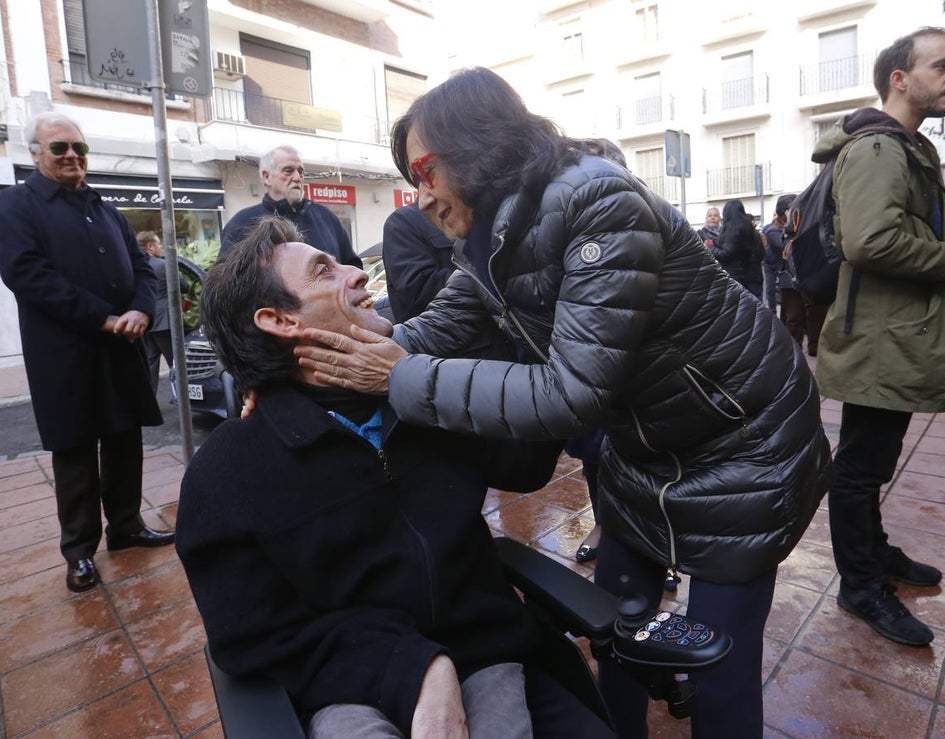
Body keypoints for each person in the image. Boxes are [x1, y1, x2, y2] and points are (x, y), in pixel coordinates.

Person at [290, 67, 831, 739]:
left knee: (712, 654)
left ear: (478, 143)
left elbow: (572, 393)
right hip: (649, 445)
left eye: (425, 170)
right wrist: (309, 379)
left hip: (743, 441)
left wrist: (397, 377)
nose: (419, 195)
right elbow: (427, 333)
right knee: (620, 620)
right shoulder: (485, 240)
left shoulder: (598, 201)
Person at [177, 217, 613, 739]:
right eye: (324, 270)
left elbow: (527, 464)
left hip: (489, 653)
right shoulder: (230, 473)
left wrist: (539, 339)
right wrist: (414, 667)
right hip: (350, 684)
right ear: (279, 320)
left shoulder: (426, 400)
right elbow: (249, 636)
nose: (357, 274)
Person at [813, 28, 945, 647]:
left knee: (870, 462)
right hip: (881, 335)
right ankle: (860, 583)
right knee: (858, 468)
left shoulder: (905, 146)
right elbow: (869, 242)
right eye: (943, 65)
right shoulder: (879, 149)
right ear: (900, 78)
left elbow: (914, 233)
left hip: (893, 331)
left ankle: (874, 554)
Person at [0, 112, 174, 593]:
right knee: (74, 451)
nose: (72, 154)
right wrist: (104, 317)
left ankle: (126, 526)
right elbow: (27, 275)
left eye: (79, 147)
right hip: (64, 354)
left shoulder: (105, 208)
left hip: (121, 346)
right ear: (36, 154)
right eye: (59, 148)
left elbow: (143, 268)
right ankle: (78, 551)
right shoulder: (14, 205)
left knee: (124, 439)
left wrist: (139, 311)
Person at [218, 145, 361, 268]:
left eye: (301, 171)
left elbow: (352, 266)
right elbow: (224, 284)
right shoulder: (242, 223)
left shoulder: (326, 218)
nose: (297, 178)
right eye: (288, 170)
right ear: (267, 176)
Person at [382, 203, 457, 323]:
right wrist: (477, 277)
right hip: (440, 334)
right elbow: (418, 289)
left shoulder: (470, 215)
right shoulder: (404, 221)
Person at [137, 231, 189, 393]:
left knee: (151, 363)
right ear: (150, 247)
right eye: (158, 244)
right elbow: (184, 286)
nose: (160, 247)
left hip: (146, 321)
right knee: (176, 362)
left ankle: (149, 401)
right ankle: (183, 398)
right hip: (166, 322)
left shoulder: (135, 266)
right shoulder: (162, 265)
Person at [765, 194, 804, 345]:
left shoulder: (797, 226)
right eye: (792, 208)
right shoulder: (773, 231)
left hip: (801, 277)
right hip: (787, 280)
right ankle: (792, 350)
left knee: (797, 317)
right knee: (792, 318)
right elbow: (788, 248)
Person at [712, 199, 764, 300]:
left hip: (736, 277)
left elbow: (726, 253)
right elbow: (762, 253)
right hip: (755, 276)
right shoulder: (752, 230)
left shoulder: (731, 230)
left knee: (740, 310)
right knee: (756, 309)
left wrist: (711, 248)